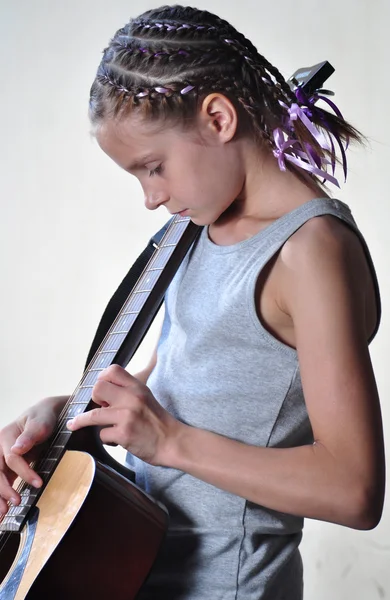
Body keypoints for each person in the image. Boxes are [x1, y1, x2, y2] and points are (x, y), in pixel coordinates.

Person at [0, 5, 385, 599]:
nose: (151, 198)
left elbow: (354, 488)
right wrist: (67, 416)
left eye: (153, 168)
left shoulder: (311, 251)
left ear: (218, 117)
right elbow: (180, 382)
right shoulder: (202, 226)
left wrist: (170, 440)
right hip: (141, 570)